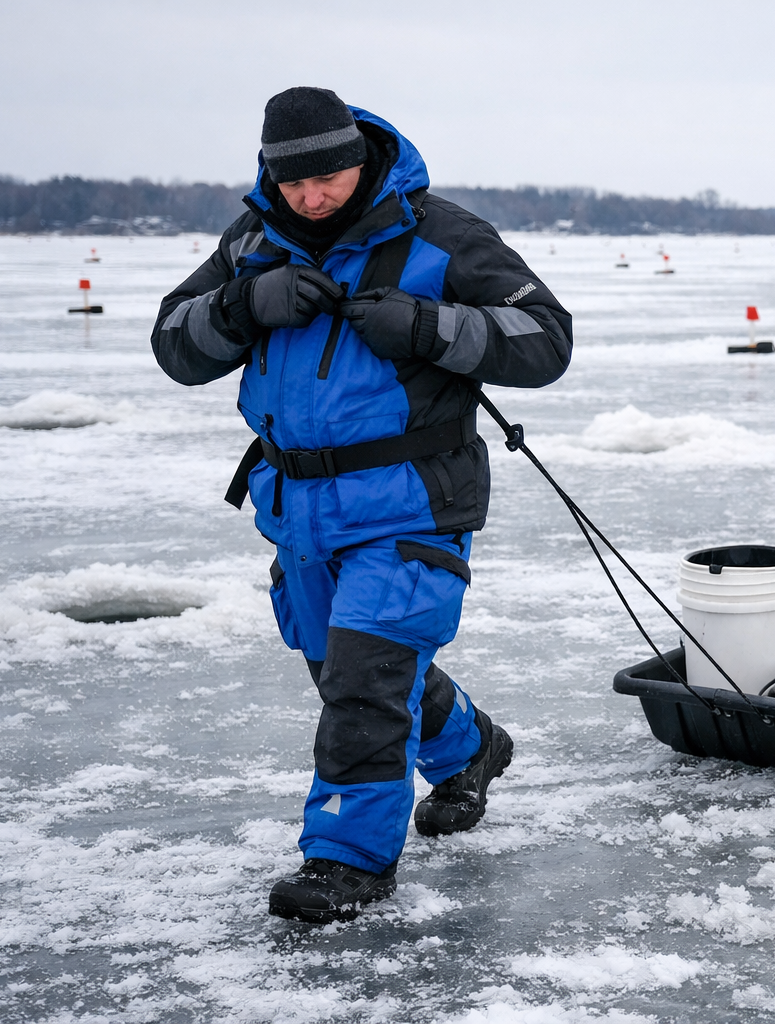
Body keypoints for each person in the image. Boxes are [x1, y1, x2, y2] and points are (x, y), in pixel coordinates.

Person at [152, 87, 572, 921]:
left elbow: (546, 338)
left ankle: (347, 863)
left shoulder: (441, 233)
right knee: (342, 668)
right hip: (299, 505)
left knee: (366, 685)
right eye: (295, 182)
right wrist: (242, 306)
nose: (313, 197)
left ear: (361, 158)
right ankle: (471, 747)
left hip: (413, 503)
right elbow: (174, 343)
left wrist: (429, 326)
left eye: (330, 178)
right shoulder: (251, 241)